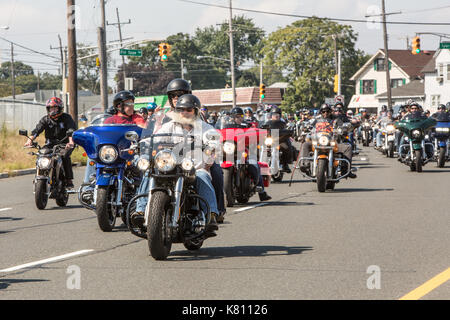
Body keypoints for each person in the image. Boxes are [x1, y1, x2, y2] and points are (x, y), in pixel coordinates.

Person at [137, 79, 227, 222]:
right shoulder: (170, 124)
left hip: (194, 167)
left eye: (188, 109)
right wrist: (141, 143)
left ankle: (212, 213)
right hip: (169, 165)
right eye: (181, 109)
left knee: (205, 175)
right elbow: (156, 137)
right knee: (150, 172)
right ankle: (140, 210)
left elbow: (214, 138)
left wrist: (210, 148)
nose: (184, 112)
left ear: (195, 110)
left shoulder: (202, 126)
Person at [25, 97, 76, 188]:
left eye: (55, 108)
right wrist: (29, 140)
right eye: (50, 108)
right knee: (41, 155)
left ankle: (68, 179)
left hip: (65, 144)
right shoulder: (45, 119)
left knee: (64, 156)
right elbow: (37, 130)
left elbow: (71, 130)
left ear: (60, 108)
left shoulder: (66, 118)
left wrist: (71, 142)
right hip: (50, 145)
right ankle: (39, 175)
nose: (52, 110)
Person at [299, 103, 356, 179]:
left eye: (327, 111)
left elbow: (343, 125)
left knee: (348, 147)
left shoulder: (336, 119)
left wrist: (344, 128)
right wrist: (305, 127)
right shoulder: (316, 119)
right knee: (305, 144)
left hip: (332, 142)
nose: (325, 113)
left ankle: (345, 170)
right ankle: (305, 165)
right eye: (323, 111)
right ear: (321, 112)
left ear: (330, 112)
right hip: (318, 141)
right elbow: (308, 123)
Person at [226, 107, 272, 202]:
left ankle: (261, 191)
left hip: (243, 150)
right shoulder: (226, 126)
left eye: (241, 116)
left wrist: (254, 128)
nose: (239, 118)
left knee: (253, 164)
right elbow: (219, 131)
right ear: (232, 117)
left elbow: (254, 130)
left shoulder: (246, 125)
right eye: (237, 117)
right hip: (230, 150)